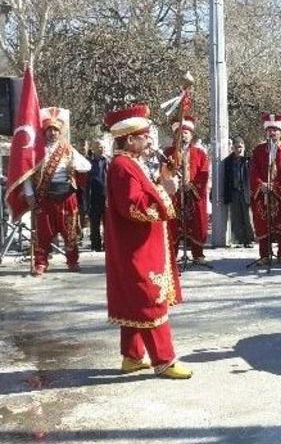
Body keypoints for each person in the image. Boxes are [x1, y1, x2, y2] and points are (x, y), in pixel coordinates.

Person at [103, 103, 192, 379]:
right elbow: (133, 206)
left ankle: (132, 357)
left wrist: (161, 179)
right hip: (136, 247)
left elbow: (143, 191)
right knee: (149, 299)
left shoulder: (131, 163)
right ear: (130, 139)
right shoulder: (122, 166)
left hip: (139, 244)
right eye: (144, 136)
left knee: (133, 301)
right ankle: (164, 360)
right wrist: (164, 191)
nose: (149, 140)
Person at [23, 107, 91, 276]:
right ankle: (41, 263)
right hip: (45, 197)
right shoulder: (36, 151)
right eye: (49, 130)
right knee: (43, 232)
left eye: (55, 130)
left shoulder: (67, 149)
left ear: (60, 132)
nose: (52, 133)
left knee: (69, 231)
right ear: (44, 132)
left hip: (67, 197)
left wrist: (74, 164)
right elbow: (26, 174)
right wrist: (29, 194)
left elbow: (87, 166)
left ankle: (72, 261)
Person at [250, 113, 281, 265]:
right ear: (265, 132)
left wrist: (274, 186)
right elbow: (253, 170)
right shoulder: (258, 151)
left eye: (275, 130)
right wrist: (261, 184)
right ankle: (264, 255)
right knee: (263, 223)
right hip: (262, 193)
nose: (272, 133)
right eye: (269, 130)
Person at [164, 116, 209, 263]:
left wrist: (193, 185)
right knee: (173, 224)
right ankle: (172, 255)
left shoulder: (200, 153)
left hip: (193, 194)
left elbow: (204, 173)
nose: (183, 136)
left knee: (196, 223)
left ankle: (198, 254)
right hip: (175, 195)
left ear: (191, 135)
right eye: (180, 133)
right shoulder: (168, 153)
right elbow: (164, 172)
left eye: (186, 133)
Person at [223, 137, 254, 248]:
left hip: (245, 191)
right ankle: (239, 240)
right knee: (236, 217)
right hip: (234, 192)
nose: (239, 149)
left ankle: (250, 240)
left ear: (244, 147)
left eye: (240, 147)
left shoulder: (248, 160)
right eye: (236, 147)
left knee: (247, 216)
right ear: (233, 148)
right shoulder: (228, 161)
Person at [87, 140, 109, 252]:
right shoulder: (88, 162)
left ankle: (107, 244)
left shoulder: (108, 161)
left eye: (103, 147)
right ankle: (96, 245)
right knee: (94, 222)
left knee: (107, 222)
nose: (102, 149)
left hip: (106, 195)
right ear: (93, 149)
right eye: (99, 147)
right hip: (93, 195)